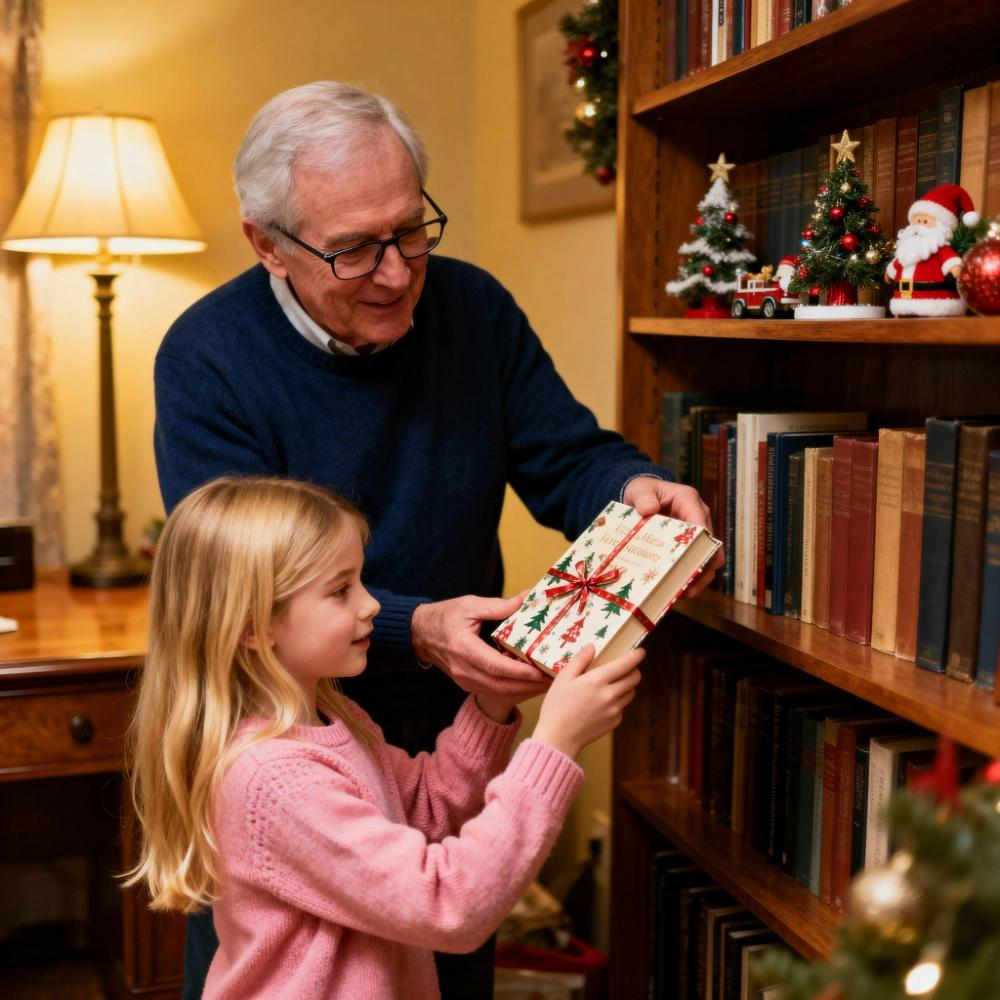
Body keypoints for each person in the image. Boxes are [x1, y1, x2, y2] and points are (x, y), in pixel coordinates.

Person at [153, 80, 722, 997]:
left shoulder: (475, 309)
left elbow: (567, 454)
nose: (395, 271)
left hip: (440, 735)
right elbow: (235, 586)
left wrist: (633, 489)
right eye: (353, 249)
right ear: (268, 244)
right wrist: (416, 630)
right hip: (296, 718)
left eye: (411, 230)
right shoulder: (205, 357)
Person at [125, 476, 644, 1000]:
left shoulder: (332, 715)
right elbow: (448, 903)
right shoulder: (273, 780)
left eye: (361, 581)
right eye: (340, 589)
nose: (372, 605)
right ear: (254, 625)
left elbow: (421, 807)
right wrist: (554, 746)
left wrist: (494, 704)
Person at [885, 183, 980, 317]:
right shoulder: (906, 249)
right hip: (902, 304)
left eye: (924, 222)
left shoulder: (940, 249)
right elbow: (898, 263)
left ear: (941, 227)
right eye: (916, 221)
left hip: (935, 305)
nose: (917, 226)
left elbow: (952, 262)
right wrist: (890, 273)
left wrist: (955, 269)